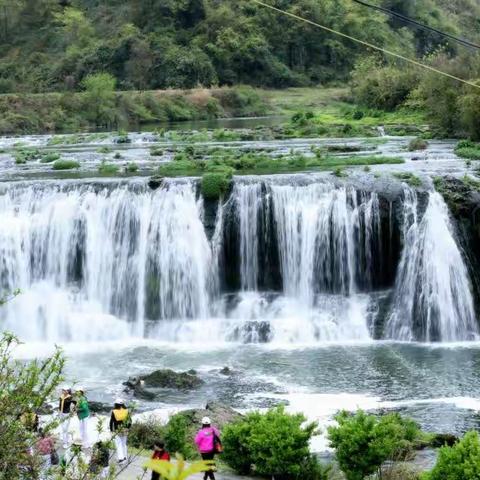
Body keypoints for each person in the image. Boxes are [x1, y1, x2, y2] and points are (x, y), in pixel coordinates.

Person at [109, 398, 131, 463]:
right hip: (125, 429)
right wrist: (128, 428)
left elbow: (111, 422)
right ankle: (125, 457)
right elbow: (130, 421)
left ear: (116, 404)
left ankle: (121, 458)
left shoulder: (114, 411)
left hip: (117, 430)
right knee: (124, 444)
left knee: (118, 444)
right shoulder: (126, 411)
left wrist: (111, 430)